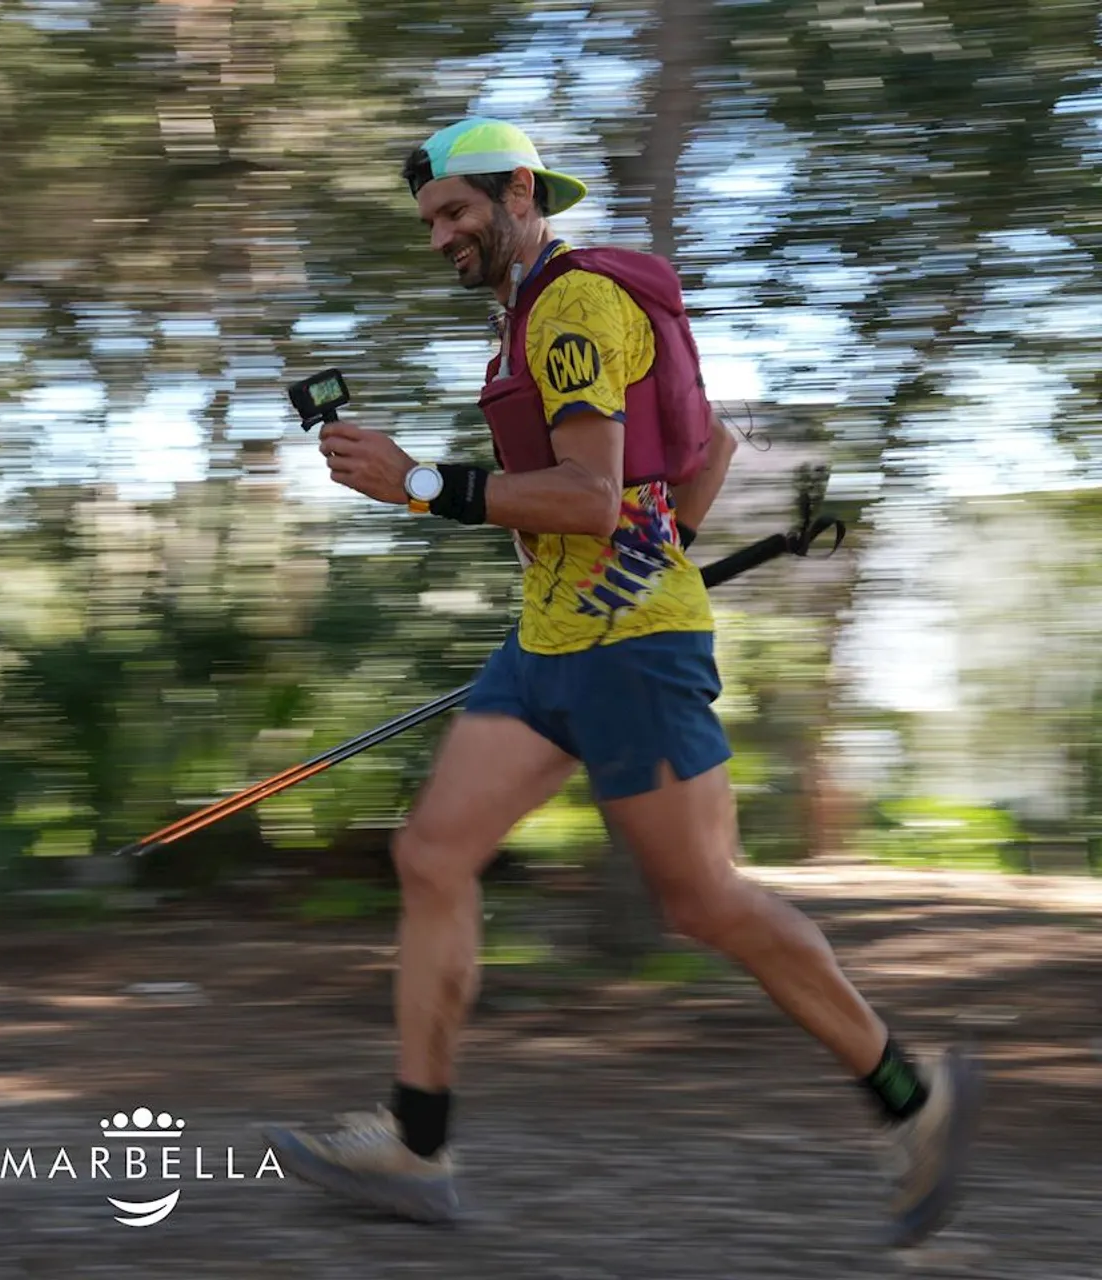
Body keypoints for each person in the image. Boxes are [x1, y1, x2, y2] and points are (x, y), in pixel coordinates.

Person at [262, 116, 982, 1248]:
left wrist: (417, 485)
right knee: (433, 852)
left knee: (700, 900)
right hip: (550, 645)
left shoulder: (574, 308)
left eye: (457, 211)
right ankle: (416, 1140)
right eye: (430, 222)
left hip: (630, 652)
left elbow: (591, 497)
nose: (443, 235)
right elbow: (703, 455)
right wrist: (658, 538)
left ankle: (912, 1097)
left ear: (519, 194)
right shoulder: (528, 322)